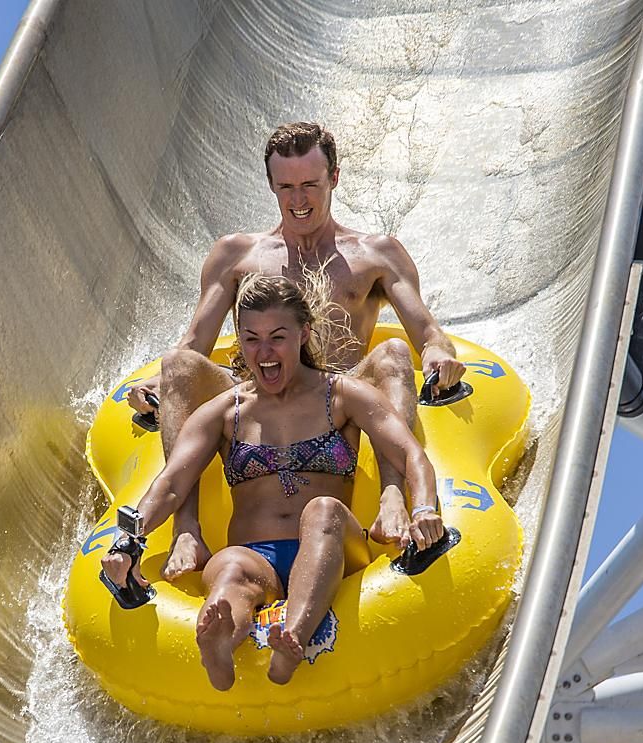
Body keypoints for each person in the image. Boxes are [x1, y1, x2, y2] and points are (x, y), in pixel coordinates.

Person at [125, 120, 466, 581]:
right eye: (286, 186)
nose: (299, 200)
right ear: (270, 185)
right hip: (254, 390)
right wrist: (157, 385)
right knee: (177, 367)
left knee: (392, 355)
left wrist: (437, 353)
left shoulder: (375, 254)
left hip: (340, 395)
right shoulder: (236, 255)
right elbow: (194, 346)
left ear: (335, 179)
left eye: (310, 184)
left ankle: (390, 495)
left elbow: (426, 331)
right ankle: (187, 528)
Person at [102, 274, 445, 691]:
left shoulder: (341, 396)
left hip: (335, 549)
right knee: (229, 566)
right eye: (251, 339)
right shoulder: (225, 412)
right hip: (255, 555)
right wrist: (127, 541)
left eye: (277, 337)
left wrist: (424, 507)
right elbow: (171, 483)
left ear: (303, 334)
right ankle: (220, 643)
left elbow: (410, 455)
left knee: (322, 511)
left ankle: (293, 639)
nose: (263, 353)